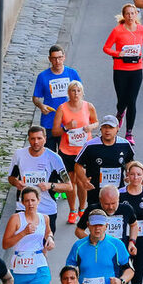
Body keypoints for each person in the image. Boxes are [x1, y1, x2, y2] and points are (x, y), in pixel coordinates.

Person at [102, 3, 143, 144]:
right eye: (128, 14)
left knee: (132, 101)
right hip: (120, 69)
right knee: (122, 100)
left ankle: (129, 133)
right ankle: (120, 112)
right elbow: (106, 48)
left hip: (136, 69)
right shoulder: (117, 31)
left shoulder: (142, 30)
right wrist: (119, 53)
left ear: (136, 14)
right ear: (124, 16)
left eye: (133, 13)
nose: (130, 16)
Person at [7, 126, 72, 234]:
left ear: (45, 139)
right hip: (23, 207)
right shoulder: (19, 155)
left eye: (39, 138)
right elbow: (11, 178)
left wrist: (50, 185)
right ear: (28, 139)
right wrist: (16, 182)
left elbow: (68, 186)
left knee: (44, 246)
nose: (36, 142)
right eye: (32, 139)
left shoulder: (54, 158)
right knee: (22, 243)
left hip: (46, 209)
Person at [52, 81, 98, 221]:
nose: (76, 93)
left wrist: (90, 127)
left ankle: (82, 208)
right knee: (70, 183)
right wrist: (66, 127)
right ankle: (72, 210)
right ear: (68, 93)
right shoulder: (62, 108)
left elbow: (96, 122)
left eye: (78, 90)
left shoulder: (88, 106)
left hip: (84, 151)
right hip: (67, 150)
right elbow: (54, 131)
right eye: (73, 90)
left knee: (82, 180)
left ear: (82, 92)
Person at [74, 115, 136, 207]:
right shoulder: (90, 145)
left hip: (117, 193)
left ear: (117, 129)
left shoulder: (124, 144)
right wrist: (84, 181)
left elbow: (129, 162)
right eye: (105, 127)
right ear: (101, 129)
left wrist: (129, 173)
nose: (107, 130)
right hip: (96, 193)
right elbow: (78, 165)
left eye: (111, 127)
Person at [32, 46, 82, 152]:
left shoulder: (72, 73)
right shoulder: (43, 76)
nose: (57, 61)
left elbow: (81, 94)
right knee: (49, 155)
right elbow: (35, 98)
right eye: (54, 58)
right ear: (49, 59)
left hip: (68, 122)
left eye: (60, 57)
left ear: (64, 57)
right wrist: (41, 106)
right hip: (49, 122)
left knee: (66, 156)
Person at [74, 184, 139, 251]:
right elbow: (79, 231)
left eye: (113, 203)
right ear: (100, 200)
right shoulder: (92, 210)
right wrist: (93, 242)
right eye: (106, 204)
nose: (110, 207)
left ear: (118, 199)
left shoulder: (126, 209)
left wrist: (132, 242)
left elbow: (134, 225)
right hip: (98, 252)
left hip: (119, 251)